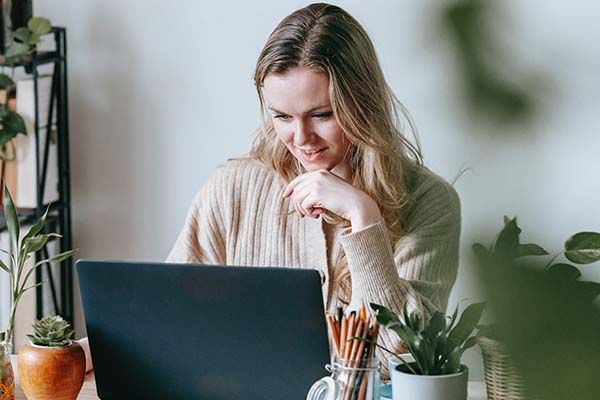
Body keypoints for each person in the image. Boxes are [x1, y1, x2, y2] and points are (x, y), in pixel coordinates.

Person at [81, 2, 461, 376]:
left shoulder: (430, 202)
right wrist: (80, 351)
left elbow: (406, 359)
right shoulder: (232, 188)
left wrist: (364, 219)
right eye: (282, 116)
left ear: (362, 103)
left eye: (321, 115)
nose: (301, 138)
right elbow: (167, 315)